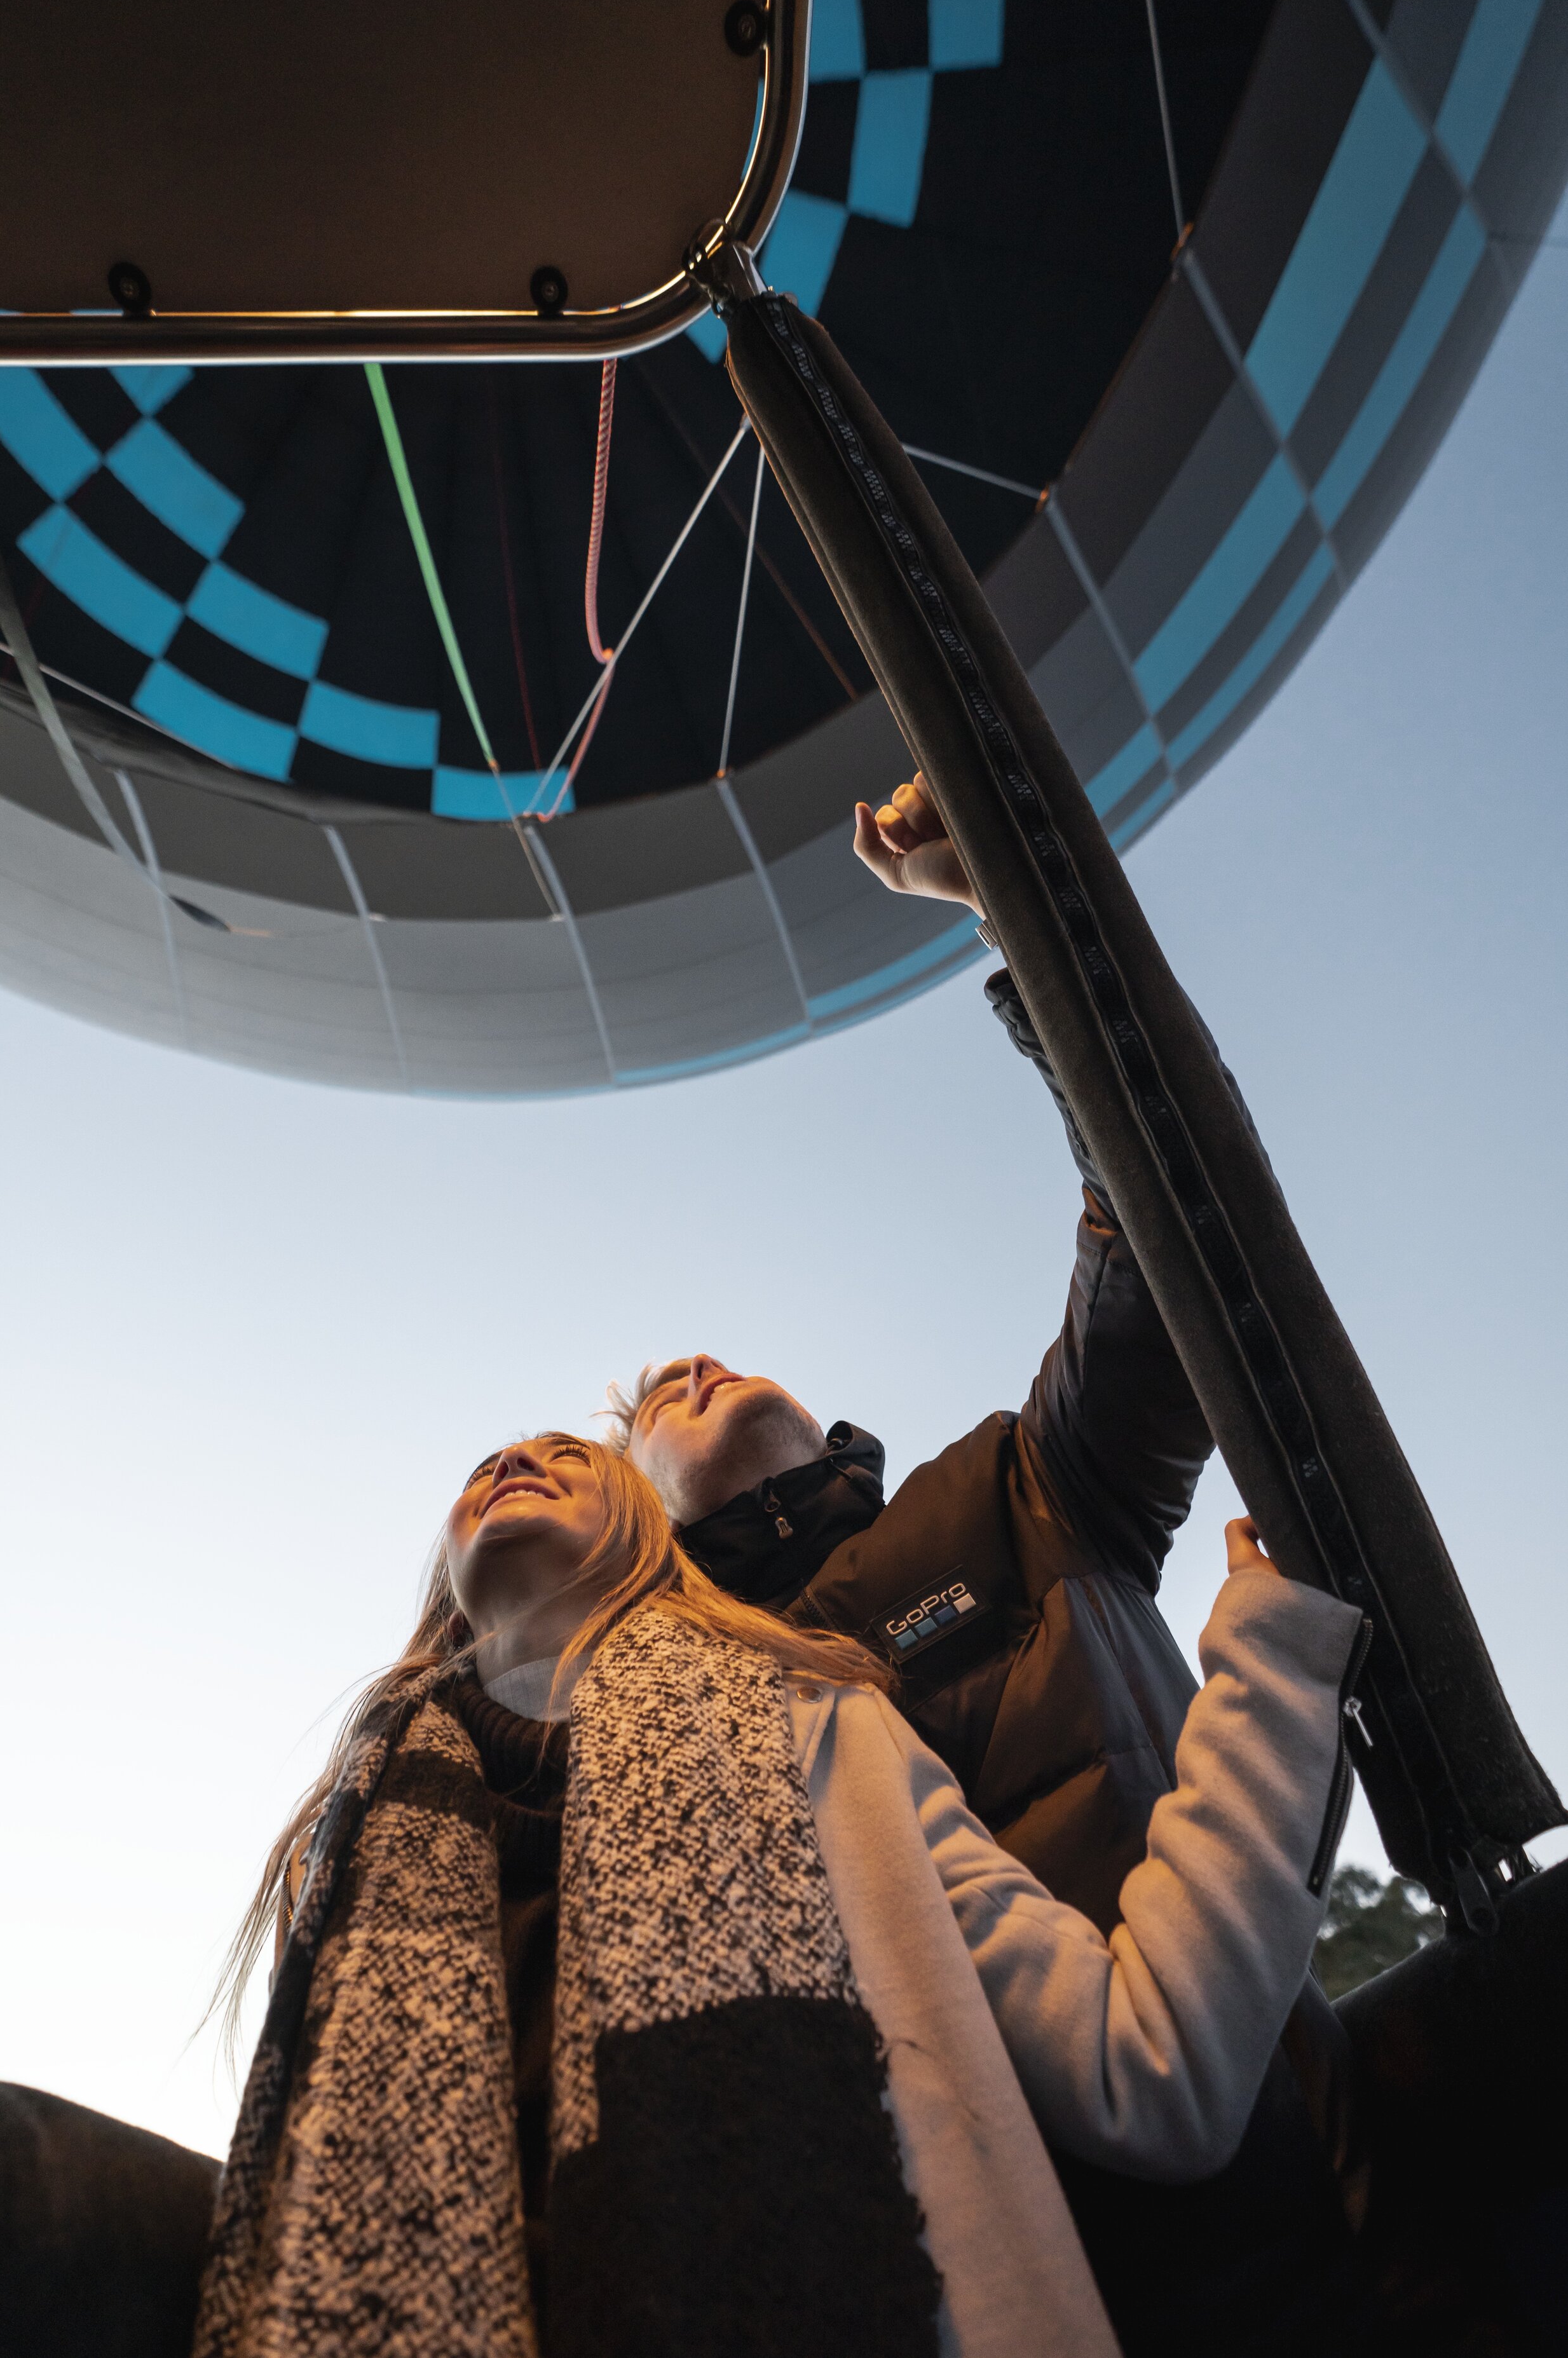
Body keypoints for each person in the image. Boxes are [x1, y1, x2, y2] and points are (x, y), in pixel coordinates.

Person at [608, 773, 1365, 2355]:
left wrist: (1011, 917)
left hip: (1286, 2172)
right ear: (648, 1534)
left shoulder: (1021, 1486)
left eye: (710, 1352)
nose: (679, 1360)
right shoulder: (705, 1723)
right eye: (636, 1415)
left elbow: (1169, 1229)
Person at [200, 1431, 1366, 2358]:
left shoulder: (820, 1729)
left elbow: (1151, 2064)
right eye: (486, 1467)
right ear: (446, 1593)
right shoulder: (353, 1845)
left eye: (570, 1459)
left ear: (649, 1539)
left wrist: (1277, 1657)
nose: (511, 1463)